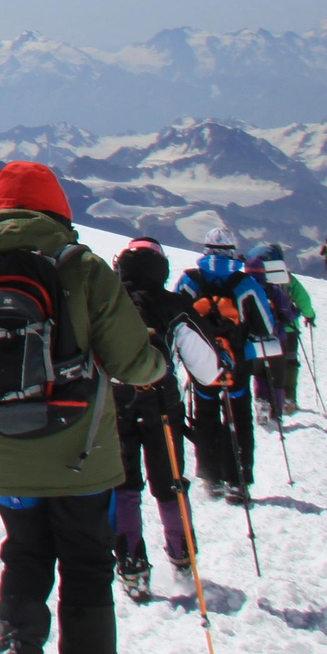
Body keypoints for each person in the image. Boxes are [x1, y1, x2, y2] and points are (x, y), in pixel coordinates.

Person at [0, 161, 166, 654]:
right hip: (82, 454)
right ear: (57, 208)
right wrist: (156, 363)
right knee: (87, 565)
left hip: (5, 454)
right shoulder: (80, 266)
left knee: (25, 557)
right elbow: (134, 362)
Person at [106, 240, 210, 599]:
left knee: (124, 486)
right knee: (170, 485)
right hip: (163, 409)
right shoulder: (174, 305)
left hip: (115, 407)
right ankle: (182, 557)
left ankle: (131, 565)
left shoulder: (105, 302)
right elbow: (207, 369)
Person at [174, 225, 281, 501]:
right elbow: (265, 326)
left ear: (206, 249)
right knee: (239, 418)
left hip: (201, 364)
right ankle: (238, 481)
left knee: (205, 415)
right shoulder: (245, 283)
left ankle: (211, 478)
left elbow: (174, 318)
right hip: (237, 362)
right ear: (233, 251)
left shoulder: (190, 280)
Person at [252, 243, 316, 418]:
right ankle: (287, 399)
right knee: (289, 363)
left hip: (259, 330)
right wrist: (309, 316)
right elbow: (304, 300)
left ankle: (262, 400)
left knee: (260, 367)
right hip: (287, 330)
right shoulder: (287, 279)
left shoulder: (253, 278)